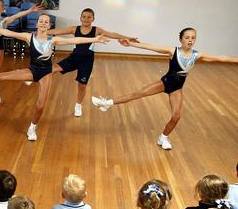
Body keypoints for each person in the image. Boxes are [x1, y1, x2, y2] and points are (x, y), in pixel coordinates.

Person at [0, 15, 108, 141]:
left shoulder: (52, 40)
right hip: (32, 70)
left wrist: (94, 40)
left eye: (46, 22)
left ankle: (32, 127)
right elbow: (9, 33)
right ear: (37, 24)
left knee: (40, 105)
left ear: (49, 26)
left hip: (46, 73)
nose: (43, 23)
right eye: (41, 21)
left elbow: (75, 40)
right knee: (1, 76)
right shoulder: (29, 37)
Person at [91, 28, 238, 150]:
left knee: (176, 116)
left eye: (193, 37)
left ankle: (163, 138)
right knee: (137, 94)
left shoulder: (197, 55)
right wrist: (131, 45)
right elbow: (151, 47)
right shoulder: (172, 51)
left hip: (177, 89)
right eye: (187, 37)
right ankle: (106, 103)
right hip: (165, 83)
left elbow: (222, 58)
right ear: (181, 39)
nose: (190, 40)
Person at [45, 8, 137, 117]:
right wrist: (40, 32)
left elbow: (112, 34)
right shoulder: (74, 29)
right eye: (84, 16)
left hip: (87, 61)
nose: (86, 19)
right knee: (52, 69)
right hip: (73, 58)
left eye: (89, 17)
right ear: (80, 18)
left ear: (93, 19)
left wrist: (128, 38)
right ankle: (33, 77)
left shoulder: (96, 30)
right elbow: (57, 32)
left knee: (82, 85)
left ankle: (78, 106)